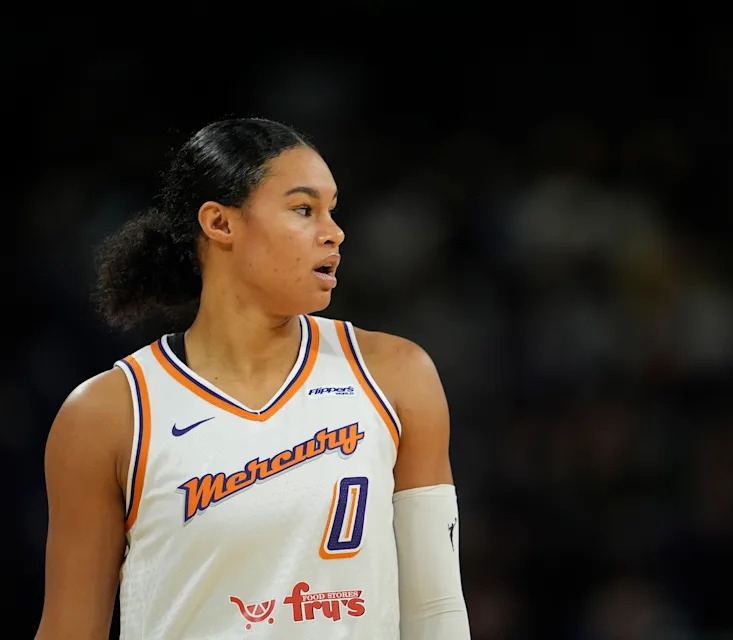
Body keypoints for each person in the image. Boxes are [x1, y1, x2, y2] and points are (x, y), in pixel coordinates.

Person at [35, 117, 471, 639]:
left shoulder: (396, 374)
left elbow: (437, 614)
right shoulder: (109, 415)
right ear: (220, 224)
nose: (334, 232)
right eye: (304, 209)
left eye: (332, 211)